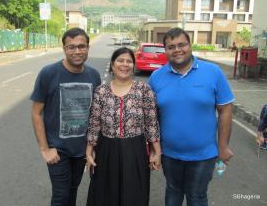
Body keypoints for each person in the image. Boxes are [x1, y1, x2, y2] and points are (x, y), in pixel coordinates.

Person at [148, 27, 235, 206]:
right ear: (165, 50)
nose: (177, 50)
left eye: (182, 44)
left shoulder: (213, 72)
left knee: (197, 196)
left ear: (190, 45)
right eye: (171, 46)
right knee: (173, 192)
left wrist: (223, 146)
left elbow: (225, 110)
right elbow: (151, 117)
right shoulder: (156, 77)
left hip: (203, 155)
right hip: (169, 154)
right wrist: (153, 149)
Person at [30, 27, 101, 206]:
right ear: (64, 49)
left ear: (87, 48)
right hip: (58, 150)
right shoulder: (48, 73)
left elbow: (96, 113)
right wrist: (45, 149)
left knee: (72, 190)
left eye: (81, 46)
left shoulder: (93, 75)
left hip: (82, 149)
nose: (77, 51)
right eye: (71, 47)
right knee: (61, 195)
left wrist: (93, 147)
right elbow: (36, 112)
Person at [86, 47, 162, 206]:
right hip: (106, 149)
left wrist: (157, 151)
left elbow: (151, 122)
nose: (125, 64)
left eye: (129, 61)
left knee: (134, 194)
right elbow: (94, 123)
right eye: (120, 60)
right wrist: (89, 151)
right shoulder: (101, 91)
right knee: (106, 194)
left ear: (133, 65)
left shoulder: (143, 90)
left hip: (135, 150)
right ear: (112, 65)